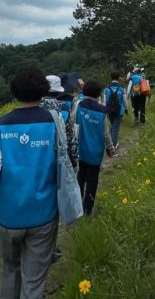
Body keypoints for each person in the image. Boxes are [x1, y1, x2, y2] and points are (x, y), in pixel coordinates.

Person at [0, 67, 60, 299]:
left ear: (14, 92)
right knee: (34, 279)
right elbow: (68, 164)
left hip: (8, 216)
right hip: (44, 214)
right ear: (43, 92)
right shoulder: (54, 124)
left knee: (11, 269)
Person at [74, 78, 117, 216]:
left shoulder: (79, 105)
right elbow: (106, 134)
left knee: (80, 176)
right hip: (95, 152)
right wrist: (111, 149)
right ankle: (88, 208)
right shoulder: (102, 111)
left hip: (81, 150)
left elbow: (74, 124)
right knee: (93, 180)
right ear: (99, 94)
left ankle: (76, 204)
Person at [41, 74, 78, 169]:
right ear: (58, 91)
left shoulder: (36, 107)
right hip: (58, 155)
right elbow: (69, 135)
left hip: (40, 154)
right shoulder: (64, 108)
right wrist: (73, 160)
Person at [102, 71, 128, 149]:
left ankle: (112, 142)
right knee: (115, 128)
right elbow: (125, 101)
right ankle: (113, 145)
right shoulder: (122, 89)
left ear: (111, 78)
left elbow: (104, 102)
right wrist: (126, 109)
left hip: (109, 111)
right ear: (118, 78)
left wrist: (104, 110)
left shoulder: (106, 89)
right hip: (119, 111)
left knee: (113, 126)